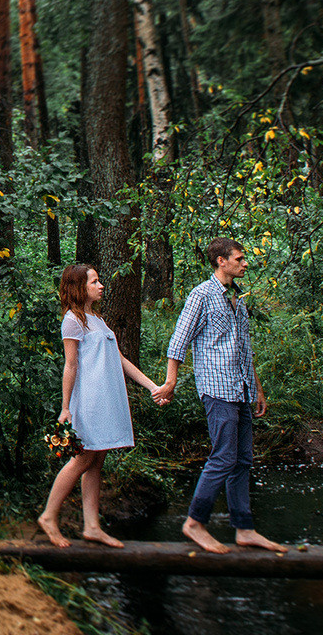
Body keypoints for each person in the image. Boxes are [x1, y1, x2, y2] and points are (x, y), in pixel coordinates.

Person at [156, 237, 287, 554]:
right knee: (224, 456)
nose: (244, 263)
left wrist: (256, 387)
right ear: (221, 261)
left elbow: (245, 348)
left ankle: (244, 529)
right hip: (217, 389)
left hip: (240, 388)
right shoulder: (202, 295)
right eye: (239, 258)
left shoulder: (236, 298)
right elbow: (179, 340)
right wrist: (170, 381)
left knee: (243, 460)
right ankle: (194, 523)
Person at [36, 263, 164, 548]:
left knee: (97, 461)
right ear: (79, 287)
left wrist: (153, 386)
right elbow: (70, 365)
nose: (101, 285)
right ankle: (48, 516)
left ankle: (92, 526)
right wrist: (66, 407)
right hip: (89, 400)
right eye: (94, 281)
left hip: (108, 398)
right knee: (82, 458)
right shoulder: (73, 320)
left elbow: (120, 359)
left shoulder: (98, 320)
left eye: (99, 281)